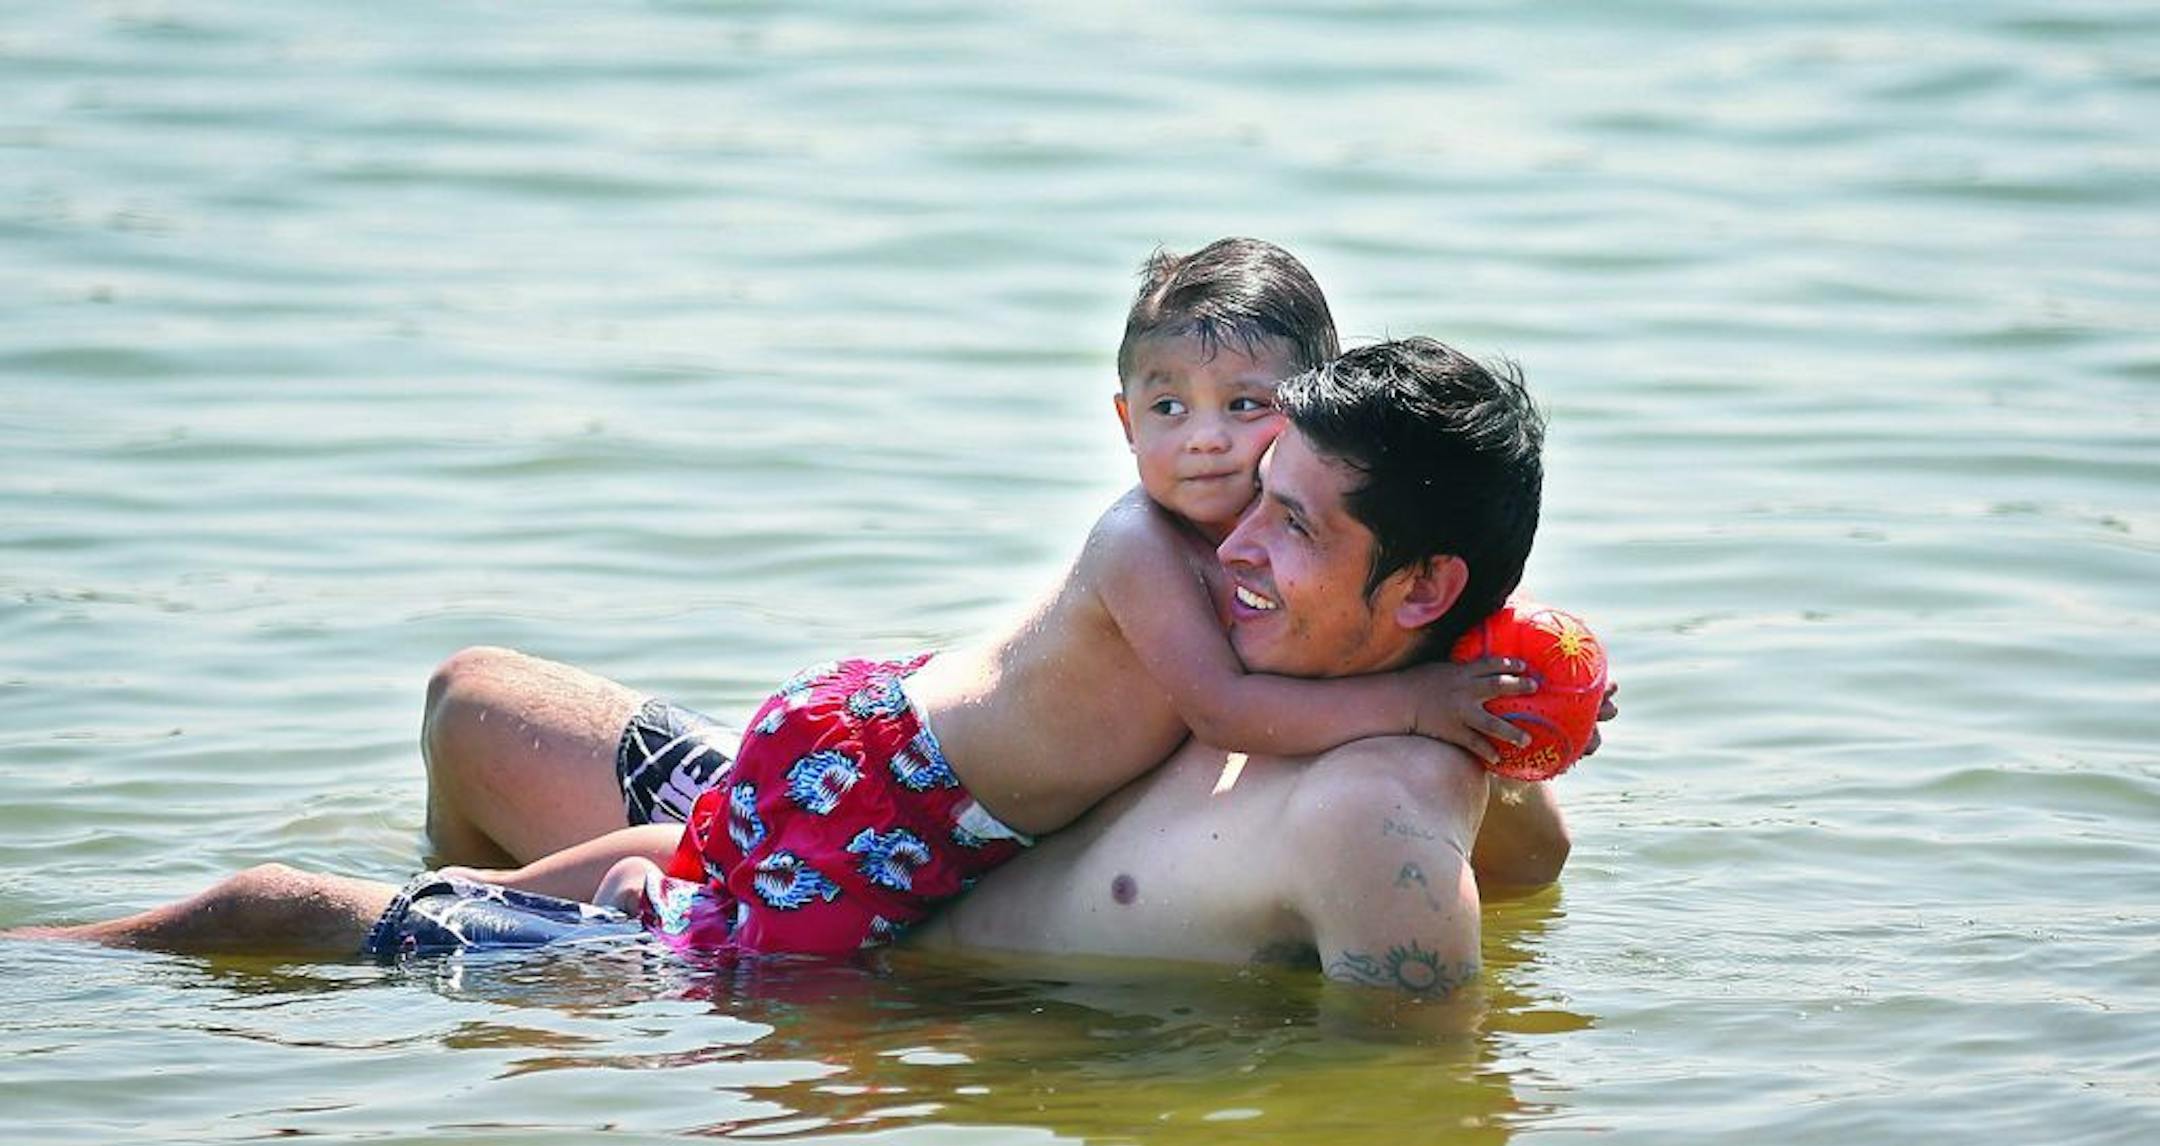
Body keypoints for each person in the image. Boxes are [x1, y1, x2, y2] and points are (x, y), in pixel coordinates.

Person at [14, 333, 1586, 1009]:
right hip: (842, 791)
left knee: (259, 916)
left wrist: (1470, 713)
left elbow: (1404, 1104)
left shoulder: (1375, 799)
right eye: (1253, 486)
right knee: (469, 698)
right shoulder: (1245, 627)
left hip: (815, 932)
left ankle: (49, 970)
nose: (1235, 536)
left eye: (1293, 524)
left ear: (1426, 592)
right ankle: (481, 946)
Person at [394, 240, 1537, 960]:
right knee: (776, 961)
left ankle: (575, 876)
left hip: (897, 761)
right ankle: (516, 892)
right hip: (907, 785)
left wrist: (1522, 694)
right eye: (1170, 407)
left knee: (725, 850)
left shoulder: (1248, 551)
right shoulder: (1144, 545)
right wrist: (1426, 703)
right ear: (1123, 419)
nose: (1209, 442)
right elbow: (1235, 709)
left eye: (1246, 407)